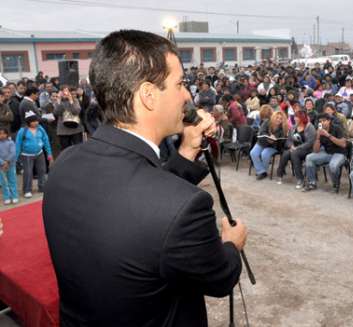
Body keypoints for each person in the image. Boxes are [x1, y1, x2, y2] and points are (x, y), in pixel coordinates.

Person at [42, 30, 247, 326]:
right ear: (148, 95)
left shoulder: (65, 165)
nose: (187, 95)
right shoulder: (186, 206)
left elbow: (139, 200)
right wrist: (231, 245)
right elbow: (218, 279)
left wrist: (188, 149)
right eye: (179, 84)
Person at [304, 113, 347, 192]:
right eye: (320, 121)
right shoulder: (320, 131)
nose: (322, 123)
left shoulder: (337, 128)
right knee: (309, 158)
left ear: (329, 121)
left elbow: (343, 144)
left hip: (339, 153)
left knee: (332, 166)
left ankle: (335, 184)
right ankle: (312, 183)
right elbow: (316, 150)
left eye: (324, 121)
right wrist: (318, 138)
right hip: (327, 153)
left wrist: (328, 135)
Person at [15, 112, 53, 198]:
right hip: (26, 155)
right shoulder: (22, 131)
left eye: (37, 121)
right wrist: (15, 158)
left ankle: (42, 186)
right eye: (34, 121)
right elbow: (18, 144)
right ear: (29, 122)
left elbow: (46, 140)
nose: (36, 122)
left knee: (42, 171)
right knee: (28, 172)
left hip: (40, 153)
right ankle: (27, 190)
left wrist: (49, 154)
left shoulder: (40, 129)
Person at [276, 110, 316, 188]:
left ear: (302, 118)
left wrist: (297, 148)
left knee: (294, 153)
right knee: (286, 153)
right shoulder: (294, 127)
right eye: (294, 117)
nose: (295, 118)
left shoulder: (309, 127)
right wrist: (291, 146)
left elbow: (310, 143)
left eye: (297, 117)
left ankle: (300, 179)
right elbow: (288, 140)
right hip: (295, 149)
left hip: (307, 150)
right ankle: (280, 175)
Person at [250, 111, 288, 180]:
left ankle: (262, 172)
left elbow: (282, 140)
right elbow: (262, 131)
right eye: (277, 118)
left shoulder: (283, 127)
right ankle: (262, 171)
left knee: (264, 154)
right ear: (273, 117)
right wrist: (269, 137)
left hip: (274, 146)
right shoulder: (267, 122)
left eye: (281, 118)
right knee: (253, 153)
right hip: (262, 142)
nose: (279, 120)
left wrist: (273, 139)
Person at [53, 86, 84, 151]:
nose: (65, 93)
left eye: (66, 91)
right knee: (66, 150)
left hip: (76, 128)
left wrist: (70, 100)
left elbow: (76, 111)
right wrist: (59, 101)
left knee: (78, 149)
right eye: (63, 91)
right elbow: (57, 113)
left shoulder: (75, 100)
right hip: (63, 130)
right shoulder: (58, 101)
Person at [0, 127, 17, 204]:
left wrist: (7, 161)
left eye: (4, 133)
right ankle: (6, 197)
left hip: (11, 165)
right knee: (4, 182)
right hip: (1, 166)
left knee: (12, 181)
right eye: (0, 134)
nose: (2, 135)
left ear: (7, 134)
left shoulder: (11, 142)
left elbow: (13, 153)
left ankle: (14, 196)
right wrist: (2, 162)